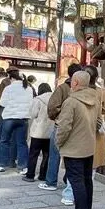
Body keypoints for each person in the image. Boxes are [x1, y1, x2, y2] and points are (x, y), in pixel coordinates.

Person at [54, 70, 98, 209]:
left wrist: (58, 142)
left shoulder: (71, 102)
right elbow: (99, 121)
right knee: (87, 179)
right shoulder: (95, 99)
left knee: (76, 180)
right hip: (89, 145)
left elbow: (64, 127)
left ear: (75, 82)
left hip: (73, 148)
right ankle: (87, 208)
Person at [61, 65, 105, 205]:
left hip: (76, 138)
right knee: (88, 175)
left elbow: (65, 125)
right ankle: (86, 205)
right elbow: (103, 112)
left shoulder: (73, 97)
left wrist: (59, 142)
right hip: (93, 138)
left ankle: (71, 197)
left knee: (75, 173)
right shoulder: (100, 93)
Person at [39, 62, 83, 192]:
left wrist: (57, 117)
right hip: (77, 127)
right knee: (72, 156)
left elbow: (52, 107)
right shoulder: (85, 90)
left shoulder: (62, 88)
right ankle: (68, 180)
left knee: (54, 155)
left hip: (61, 125)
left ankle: (51, 182)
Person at [0, 69, 34, 173]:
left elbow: (3, 102)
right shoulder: (29, 89)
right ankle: (23, 167)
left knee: (4, 141)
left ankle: (1, 165)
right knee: (22, 143)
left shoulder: (8, 88)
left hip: (9, 118)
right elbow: (31, 103)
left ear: (12, 78)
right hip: (23, 118)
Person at [23, 83, 54, 182]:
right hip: (50, 131)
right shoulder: (55, 98)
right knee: (46, 155)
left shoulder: (38, 100)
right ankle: (43, 175)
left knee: (33, 154)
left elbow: (33, 114)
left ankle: (30, 175)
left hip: (38, 131)